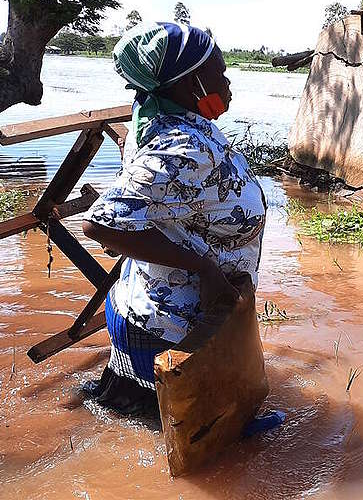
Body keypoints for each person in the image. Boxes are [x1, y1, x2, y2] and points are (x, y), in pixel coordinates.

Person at [81, 22, 267, 415]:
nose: (229, 80)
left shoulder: (162, 121)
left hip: (153, 312)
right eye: (221, 70)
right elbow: (101, 223)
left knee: (122, 410)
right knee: (180, 444)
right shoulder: (182, 145)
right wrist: (204, 269)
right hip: (171, 330)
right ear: (191, 82)